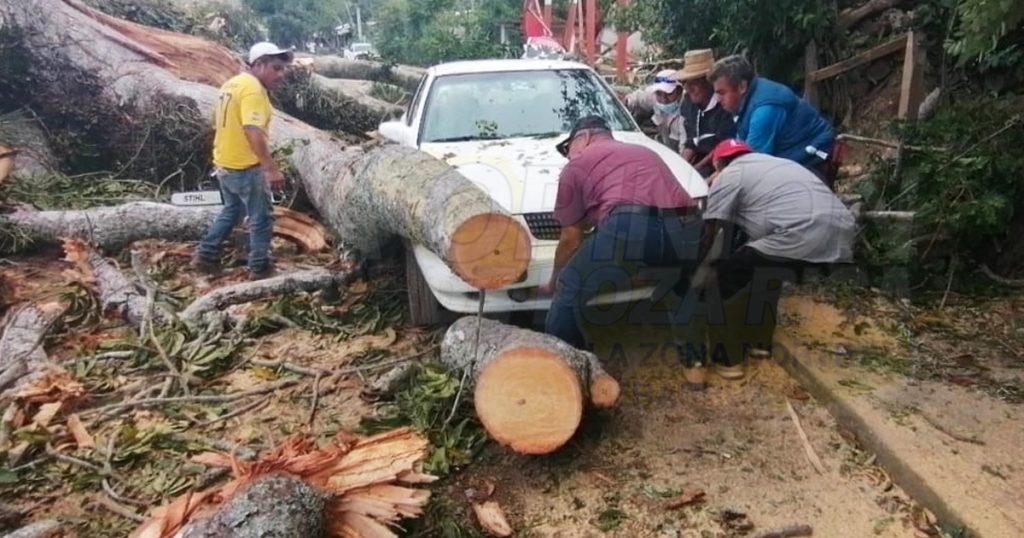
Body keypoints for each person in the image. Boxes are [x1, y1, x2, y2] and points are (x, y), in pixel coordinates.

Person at [542, 116, 704, 365]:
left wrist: (555, 278)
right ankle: (696, 363)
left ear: (583, 138)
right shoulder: (642, 151)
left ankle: (570, 366)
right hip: (688, 226)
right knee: (681, 285)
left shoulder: (576, 167)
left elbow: (571, 238)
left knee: (569, 287)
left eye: (568, 148)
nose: (568, 156)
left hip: (631, 227)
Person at [699, 140, 856, 379]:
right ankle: (759, 344)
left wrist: (699, 265)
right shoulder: (776, 164)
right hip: (842, 232)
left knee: (727, 277)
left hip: (801, 232)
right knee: (765, 269)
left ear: (719, 163)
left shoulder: (730, 174)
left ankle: (728, 360)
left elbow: (712, 228)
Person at [193, 42, 293, 280]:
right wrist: (270, 168)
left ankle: (205, 256)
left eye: (283, 69)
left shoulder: (232, 83)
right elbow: (252, 130)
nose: (281, 75)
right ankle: (260, 267)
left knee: (232, 211)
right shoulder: (253, 90)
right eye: (276, 68)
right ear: (258, 65)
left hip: (225, 164)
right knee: (262, 218)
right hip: (245, 167)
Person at [708, 55, 835, 175]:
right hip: (789, 154)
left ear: (741, 86)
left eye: (722, 93)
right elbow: (740, 149)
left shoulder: (763, 111)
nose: (718, 99)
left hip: (812, 157)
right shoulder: (747, 99)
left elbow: (751, 163)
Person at [673, 49, 736, 177]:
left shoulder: (725, 106)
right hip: (698, 162)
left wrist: (697, 167)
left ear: (709, 82)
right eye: (686, 82)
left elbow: (723, 144)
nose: (688, 88)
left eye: (694, 82)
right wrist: (683, 165)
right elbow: (691, 140)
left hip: (722, 164)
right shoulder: (688, 103)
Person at [622, 69, 684, 149]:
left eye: (669, 94)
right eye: (659, 94)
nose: (664, 99)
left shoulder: (688, 109)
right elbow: (637, 99)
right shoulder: (652, 95)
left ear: (679, 91)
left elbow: (686, 145)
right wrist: (626, 102)